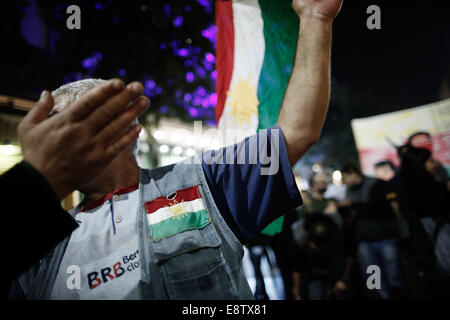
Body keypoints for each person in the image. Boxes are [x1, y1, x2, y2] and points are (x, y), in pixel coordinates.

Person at [11, 0, 344, 300]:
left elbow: (294, 135)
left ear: (121, 125)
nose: (50, 137)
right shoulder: (40, 243)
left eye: (65, 123)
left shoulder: (204, 182)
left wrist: (316, 18)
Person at [1, 79, 149, 298]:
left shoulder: (201, 180)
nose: (44, 135)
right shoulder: (41, 244)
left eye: (56, 121)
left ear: (111, 123)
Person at [341, 163, 404, 299]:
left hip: (385, 236)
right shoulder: (349, 191)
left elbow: (379, 210)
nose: (344, 182)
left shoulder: (376, 185)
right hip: (365, 240)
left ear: (354, 174)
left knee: (394, 273)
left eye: (345, 178)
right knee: (373, 278)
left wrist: (353, 205)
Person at [397, 144, 450, 298]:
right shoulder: (432, 191)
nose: (435, 164)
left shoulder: (408, 189)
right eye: (430, 161)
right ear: (419, 165)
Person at [291, 213, 355, 300]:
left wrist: (345, 278)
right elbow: (297, 267)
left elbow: (350, 253)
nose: (318, 249)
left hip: (337, 269)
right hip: (313, 274)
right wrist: (297, 293)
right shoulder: (299, 237)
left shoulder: (341, 227)